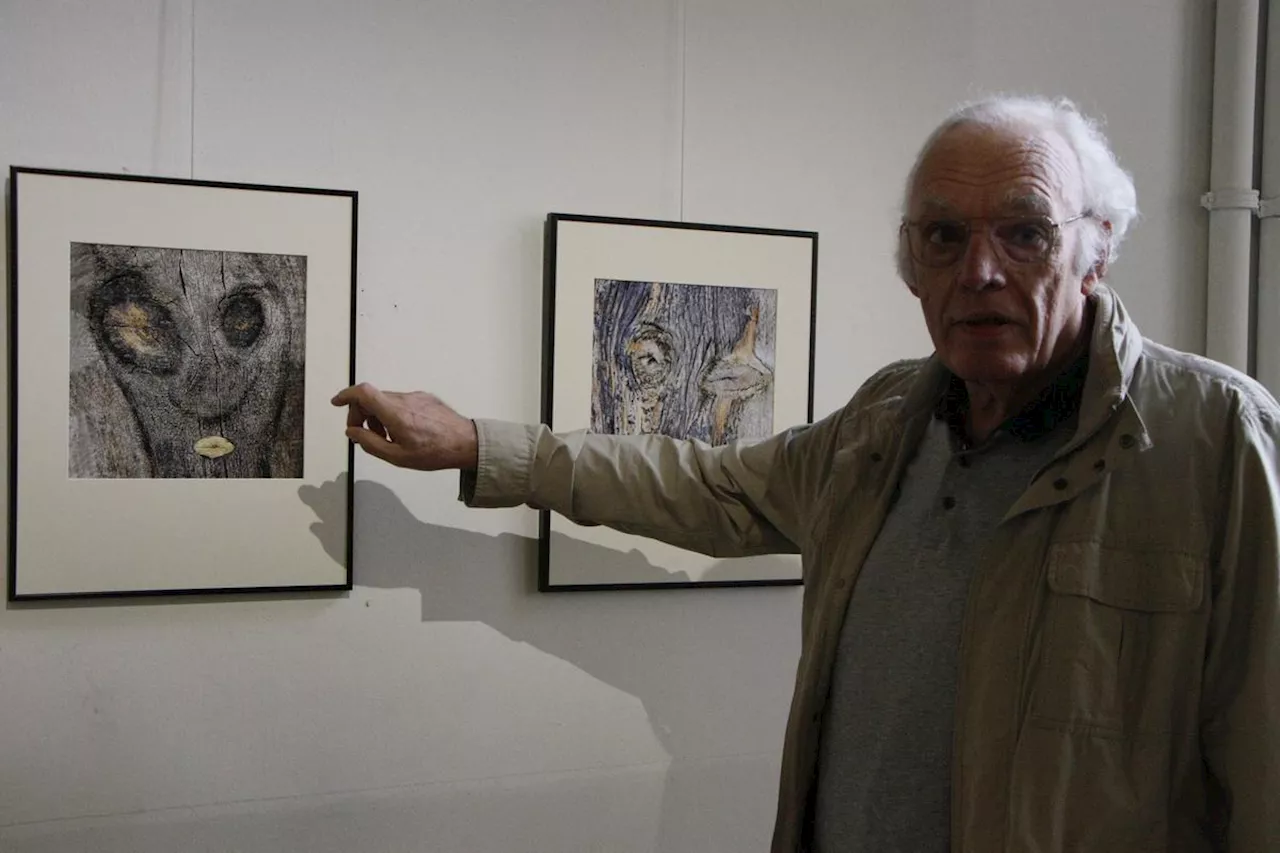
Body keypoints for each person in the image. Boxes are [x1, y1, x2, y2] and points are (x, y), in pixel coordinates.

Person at [331, 95, 1280, 852]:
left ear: (1097, 249)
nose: (980, 269)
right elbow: (709, 489)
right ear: (910, 262)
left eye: (1025, 232)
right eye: (943, 237)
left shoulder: (1215, 439)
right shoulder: (884, 423)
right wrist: (477, 444)